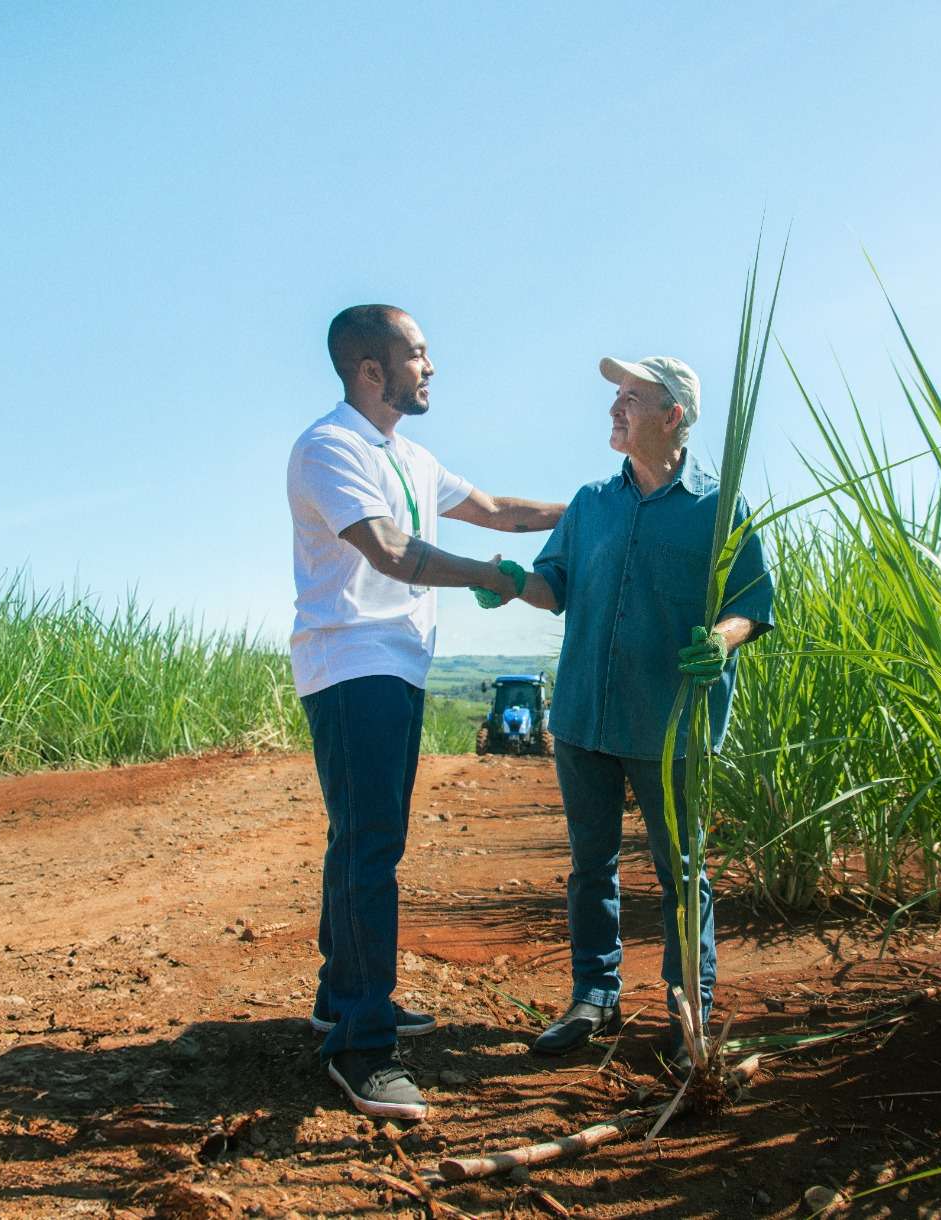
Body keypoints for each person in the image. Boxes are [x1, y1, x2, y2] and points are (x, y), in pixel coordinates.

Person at [287, 304, 564, 1120]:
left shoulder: (408, 455)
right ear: (371, 371)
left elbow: (502, 511)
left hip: (398, 663)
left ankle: (343, 999)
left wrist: (589, 507)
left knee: (366, 838)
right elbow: (391, 550)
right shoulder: (329, 448)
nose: (431, 365)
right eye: (417, 354)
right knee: (371, 845)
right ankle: (363, 1047)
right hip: (352, 661)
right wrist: (504, 578)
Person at [477, 354, 771, 1070]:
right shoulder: (590, 504)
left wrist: (723, 642)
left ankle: (687, 1011)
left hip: (668, 724)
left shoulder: (720, 508)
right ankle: (593, 995)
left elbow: (752, 605)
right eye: (614, 395)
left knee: (683, 868)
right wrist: (515, 582)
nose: (615, 408)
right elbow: (557, 583)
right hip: (583, 715)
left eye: (630, 398)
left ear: (672, 417)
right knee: (590, 866)